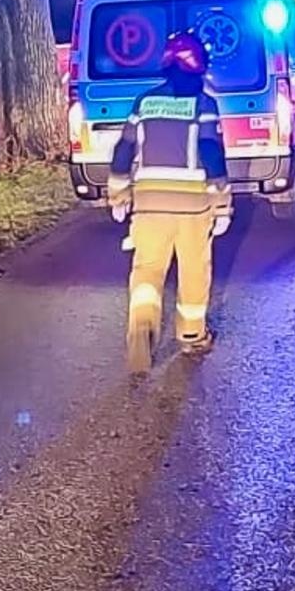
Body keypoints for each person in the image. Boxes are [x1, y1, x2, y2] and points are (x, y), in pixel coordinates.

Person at [108, 30, 233, 374]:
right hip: (192, 208)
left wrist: (118, 194)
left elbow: (124, 150)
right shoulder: (204, 104)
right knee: (193, 270)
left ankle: (141, 327)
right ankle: (192, 336)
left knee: (147, 269)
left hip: (148, 206)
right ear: (199, 66)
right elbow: (211, 152)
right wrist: (222, 204)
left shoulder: (144, 102)